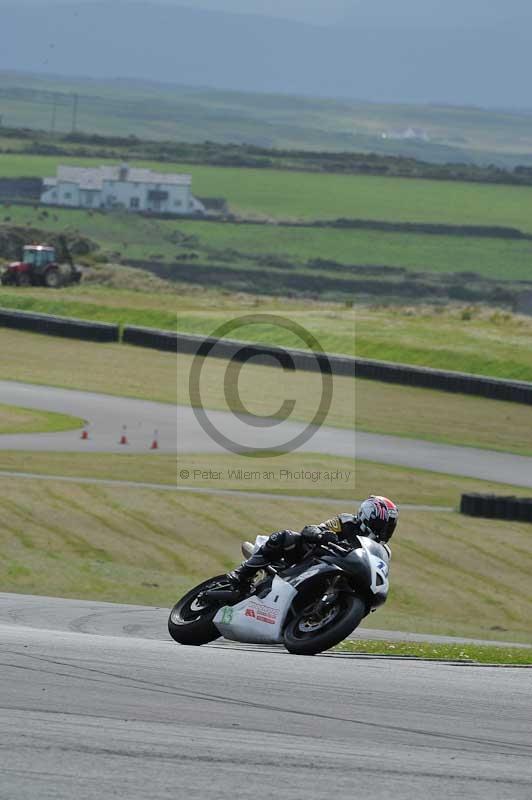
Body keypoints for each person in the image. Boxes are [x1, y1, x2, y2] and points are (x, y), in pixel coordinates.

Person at [227, 495, 399, 589]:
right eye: (382, 525)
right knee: (287, 537)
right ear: (368, 516)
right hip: (310, 560)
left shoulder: (383, 551)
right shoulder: (347, 522)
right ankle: (242, 573)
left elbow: (378, 573)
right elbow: (311, 529)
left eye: (389, 527)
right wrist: (323, 535)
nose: (385, 531)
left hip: (338, 575)